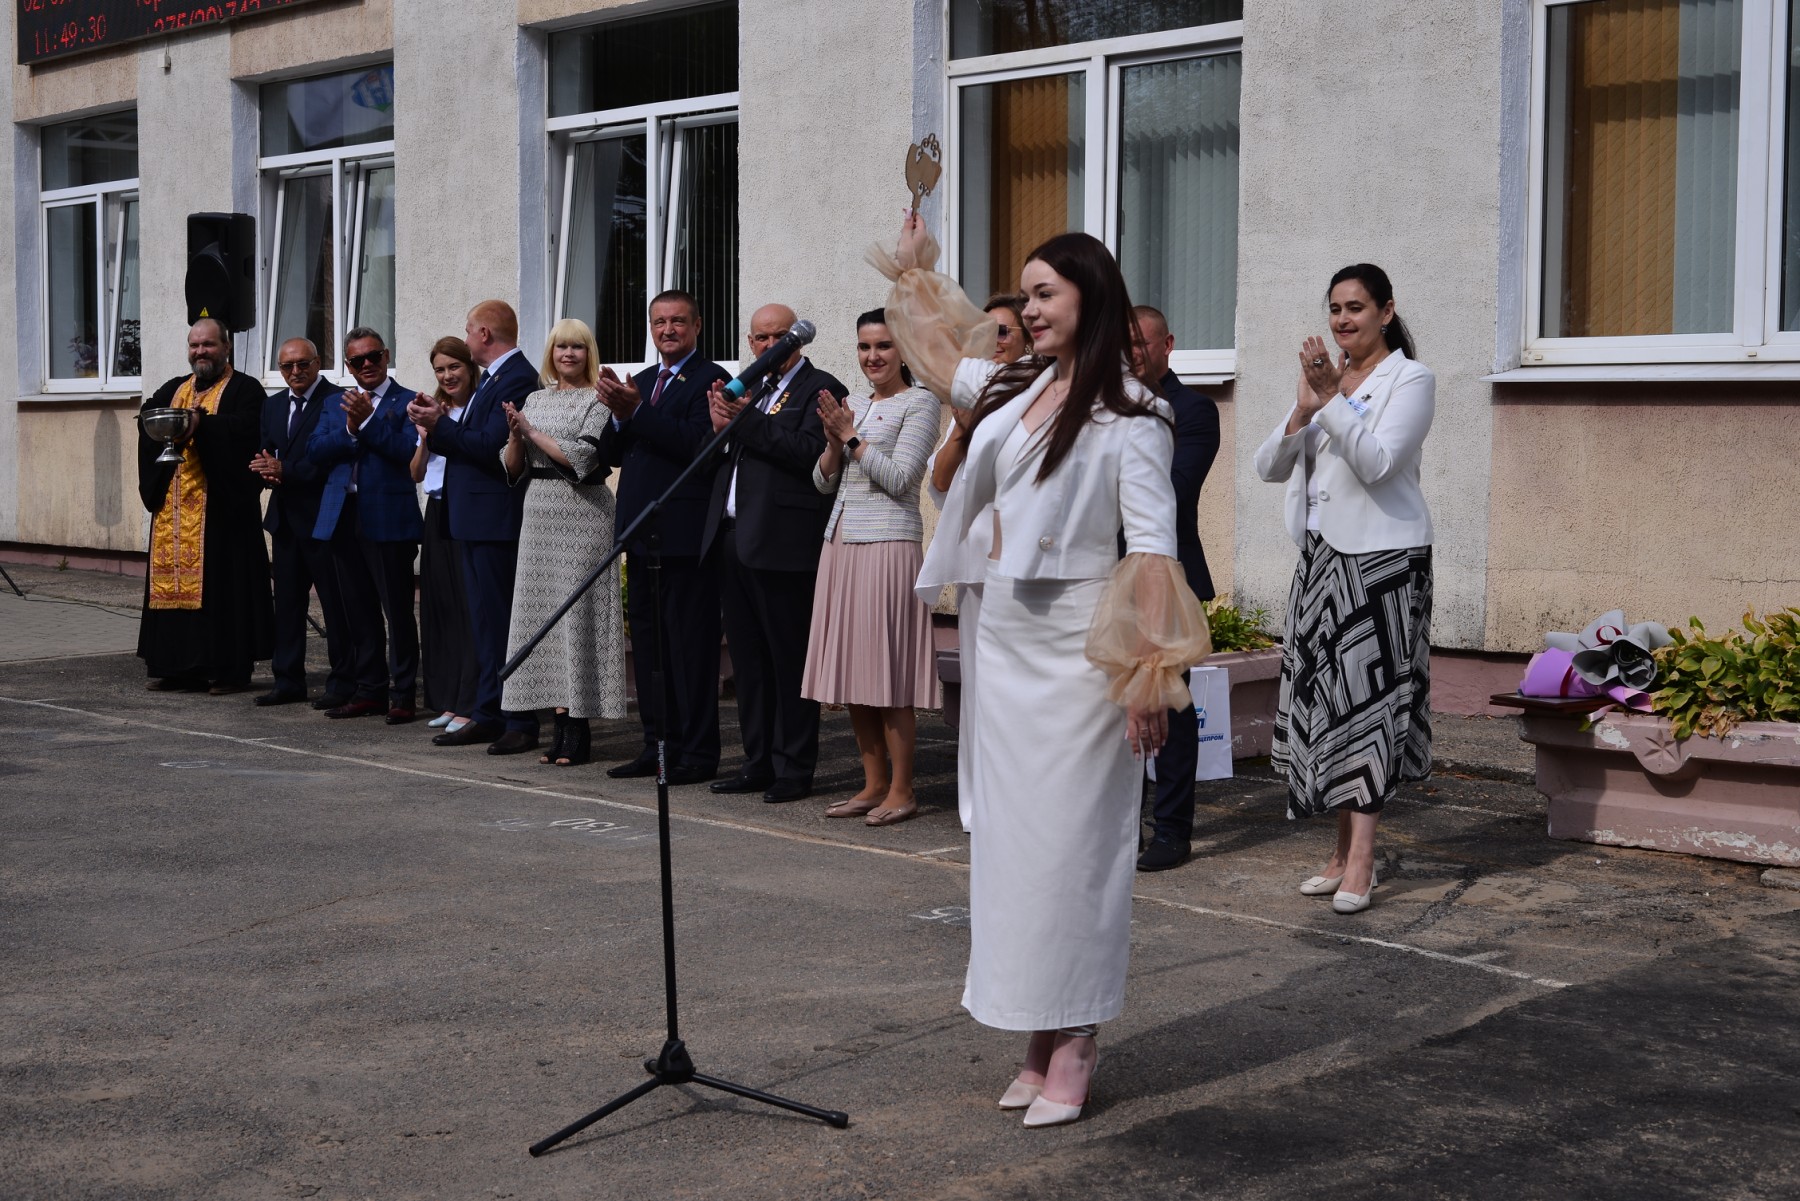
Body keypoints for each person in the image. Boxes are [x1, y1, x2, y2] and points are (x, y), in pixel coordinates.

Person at [879, 214, 1207, 1127]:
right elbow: (939, 346)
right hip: (1003, 645)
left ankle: (1077, 1035)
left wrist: (1146, 674)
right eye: (1024, 295)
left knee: (1075, 854)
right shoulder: (1018, 383)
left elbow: (1152, 548)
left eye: (1044, 294)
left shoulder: (1135, 415)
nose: (1027, 310)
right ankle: (1037, 1027)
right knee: (1015, 857)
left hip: (1078, 656)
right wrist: (912, 270)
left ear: (1089, 298)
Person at [1254, 263, 1434, 916]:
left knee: (1369, 709)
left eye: (1355, 307)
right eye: (1334, 308)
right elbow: (1268, 467)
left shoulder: (1411, 379)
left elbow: (1379, 464)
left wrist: (1330, 401)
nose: (1342, 320)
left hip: (1383, 561)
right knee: (1327, 706)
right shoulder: (1327, 380)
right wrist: (1305, 407)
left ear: (1386, 311)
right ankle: (1337, 854)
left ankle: (1362, 859)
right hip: (1322, 559)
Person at [700, 304, 849, 803]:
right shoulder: (749, 389)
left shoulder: (820, 388)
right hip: (732, 535)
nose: (770, 347)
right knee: (748, 662)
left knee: (788, 659)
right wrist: (718, 426)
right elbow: (716, 458)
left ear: (797, 341)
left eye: (780, 337)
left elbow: (809, 454)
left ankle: (794, 767)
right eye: (761, 338)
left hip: (782, 541)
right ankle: (757, 761)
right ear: (750, 343)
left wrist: (743, 423)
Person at [801, 309, 942, 826]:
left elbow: (902, 479)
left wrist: (852, 438)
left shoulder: (921, 402)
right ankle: (874, 783)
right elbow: (823, 482)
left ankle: (903, 789)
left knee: (889, 672)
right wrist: (834, 441)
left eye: (883, 345)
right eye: (864, 346)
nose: (872, 356)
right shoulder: (854, 404)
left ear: (904, 350)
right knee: (856, 670)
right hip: (841, 542)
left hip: (888, 544)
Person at [593, 290, 733, 785]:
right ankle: (657, 747)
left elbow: (700, 445)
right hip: (640, 534)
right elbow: (611, 453)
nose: (668, 330)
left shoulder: (713, 381)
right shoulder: (645, 381)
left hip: (684, 537)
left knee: (689, 651)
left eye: (677, 321)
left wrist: (636, 413)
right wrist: (617, 414)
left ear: (697, 326)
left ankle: (696, 753)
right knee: (650, 652)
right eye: (659, 322)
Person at [409, 300, 542, 755]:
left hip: (495, 521)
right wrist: (439, 423)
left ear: (484, 334)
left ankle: (519, 719)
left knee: (503, 623)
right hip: (473, 519)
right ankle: (489, 711)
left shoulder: (517, 377)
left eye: (468, 331)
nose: (466, 339)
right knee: (484, 625)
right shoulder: (494, 378)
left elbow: (490, 447)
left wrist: (438, 426)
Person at [922, 292, 1033, 830]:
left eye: (1003, 332)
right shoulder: (970, 398)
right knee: (979, 687)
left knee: (1020, 689)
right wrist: (964, 427)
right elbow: (941, 481)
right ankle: (977, 805)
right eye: (983, 334)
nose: (993, 342)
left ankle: (1022, 801)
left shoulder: (1038, 394)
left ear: (1028, 340)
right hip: (974, 564)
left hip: (1023, 563)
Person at [497, 319, 628, 766]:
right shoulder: (535, 399)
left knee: (577, 617)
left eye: (577, 347)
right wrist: (515, 435)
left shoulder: (598, 398)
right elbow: (513, 468)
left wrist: (532, 432)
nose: (568, 354)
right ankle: (558, 726)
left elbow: (583, 456)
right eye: (560, 347)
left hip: (584, 513)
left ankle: (578, 730)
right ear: (550, 354)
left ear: (588, 353)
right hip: (538, 512)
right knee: (544, 621)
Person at [1129, 305, 1222, 872]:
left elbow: (1175, 489)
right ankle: (1121, 822)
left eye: (1142, 343)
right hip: (1106, 573)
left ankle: (1171, 828)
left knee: (1169, 702)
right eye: (1123, 344)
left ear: (1167, 344)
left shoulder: (1193, 410)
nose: (1132, 354)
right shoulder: (1105, 407)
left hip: (1167, 572)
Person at [135, 319, 275, 693]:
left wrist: (203, 425)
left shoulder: (245, 388)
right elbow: (148, 415)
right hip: (173, 512)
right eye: (195, 345)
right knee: (171, 586)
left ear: (226, 347)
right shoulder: (175, 388)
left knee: (223, 590)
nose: (201, 352)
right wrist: (170, 426)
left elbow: (248, 428)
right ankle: (174, 666)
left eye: (208, 345)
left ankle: (227, 670)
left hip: (221, 512)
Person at [306, 327, 424, 724]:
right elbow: (315, 450)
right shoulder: (334, 404)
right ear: (348, 365)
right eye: (358, 360)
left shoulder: (408, 401)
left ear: (387, 356)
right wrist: (351, 429)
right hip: (343, 515)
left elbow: (407, 452)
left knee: (398, 611)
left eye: (374, 356)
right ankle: (369, 690)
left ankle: (403, 693)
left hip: (389, 517)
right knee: (357, 609)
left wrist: (369, 421)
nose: (367, 364)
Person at [251, 337, 353, 707]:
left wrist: (286, 470)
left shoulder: (337, 400)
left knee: (334, 605)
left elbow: (333, 459)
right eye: (287, 366)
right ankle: (288, 680)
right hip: (285, 521)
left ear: (318, 362)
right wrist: (266, 470)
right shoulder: (274, 404)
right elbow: (267, 449)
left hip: (323, 518)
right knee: (288, 605)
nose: (295, 372)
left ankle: (342, 682)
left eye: (302, 364)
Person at [408, 337, 482, 735]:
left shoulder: (478, 406)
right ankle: (449, 700)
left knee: (469, 611)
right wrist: (424, 438)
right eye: (440, 369)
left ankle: (470, 702)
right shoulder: (435, 410)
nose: (447, 375)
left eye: (454, 367)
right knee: (442, 609)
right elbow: (416, 473)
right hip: (437, 510)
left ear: (470, 367)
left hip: (466, 509)